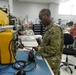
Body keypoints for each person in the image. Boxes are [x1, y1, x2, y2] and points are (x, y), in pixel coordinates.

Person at [33, 8, 64, 75]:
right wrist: (40, 46)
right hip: (47, 57)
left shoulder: (55, 29)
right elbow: (46, 43)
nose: (41, 21)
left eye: (41, 19)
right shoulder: (49, 28)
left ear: (47, 16)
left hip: (53, 62)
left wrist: (39, 49)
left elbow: (53, 49)